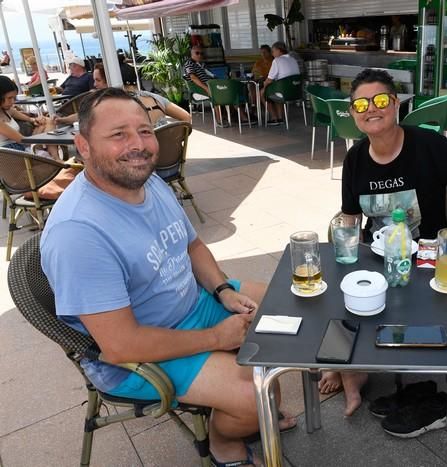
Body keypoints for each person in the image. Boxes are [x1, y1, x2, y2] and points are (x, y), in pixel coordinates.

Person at [40, 88, 296, 467]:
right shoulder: (79, 233)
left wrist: (223, 289)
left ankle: (238, 407)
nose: (138, 145)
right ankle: (225, 444)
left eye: (144, 131)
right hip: (135, 354)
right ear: (83, 145)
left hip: (192, 304)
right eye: (118, 134)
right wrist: (216, 337)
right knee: (257, 396)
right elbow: (121, 346)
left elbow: (192, 247)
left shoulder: (147, 182)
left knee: (289, 307)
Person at [326, 68, 447, 424]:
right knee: (342, 290)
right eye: (361, 104)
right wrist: (342, 253)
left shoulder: (428, 145)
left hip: (425, 259)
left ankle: (351, 367)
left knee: (412, 312)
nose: (371, 109)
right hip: (375, 256)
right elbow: (349, 217)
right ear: (353, 114)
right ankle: (348, 369)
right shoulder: (355, 159)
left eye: (380, 100)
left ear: (395, 105)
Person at [54, 63, 191, 127]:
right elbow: (186, 117)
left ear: (112, 81)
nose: (94, 85)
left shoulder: (116, 104)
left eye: (98, 80)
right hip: (171, 163)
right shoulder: (154, 97)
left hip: (141, 171)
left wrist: (62, 120)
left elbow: (83, 116)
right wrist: (175, 140)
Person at [261, 41, 300, 126]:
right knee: (277, 90)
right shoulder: (293, 59)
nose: (272, 53)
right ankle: (280, 117)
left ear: (279, 50)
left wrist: (264, 86)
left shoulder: (277, 60)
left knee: (262, 93)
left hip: (284, 93)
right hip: (297, 92)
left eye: (273, 51)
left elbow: (269, 79)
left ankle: (274, 118)